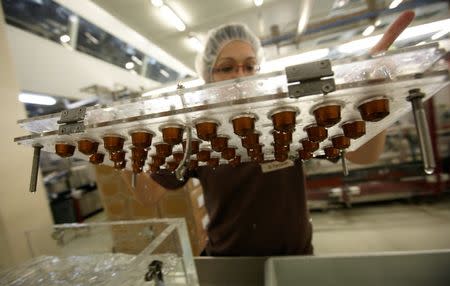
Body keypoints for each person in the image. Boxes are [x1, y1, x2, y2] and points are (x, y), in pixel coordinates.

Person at [148, 11, 416, 256]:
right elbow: (147, 195)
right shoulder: (198, 132)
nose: (241, 76)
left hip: (295, 259)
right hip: (228, 261)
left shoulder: (288, 118)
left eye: (250, 66)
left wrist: (373, 98)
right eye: (227, 68)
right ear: (208, 75)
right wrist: (121, 141)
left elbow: (364, 155)